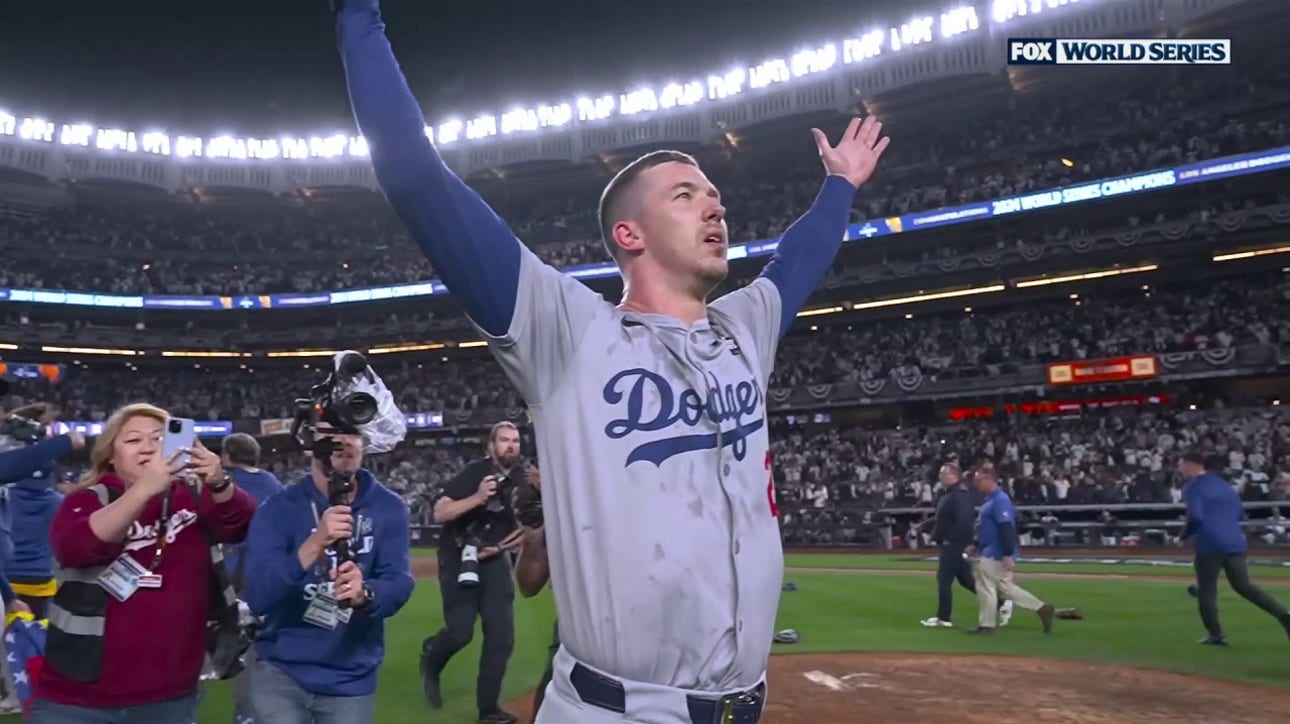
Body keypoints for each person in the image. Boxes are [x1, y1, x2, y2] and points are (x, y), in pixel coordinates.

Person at [334, 3, 888, 720]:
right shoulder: (566, 331)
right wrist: (357, 15)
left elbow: (799, 258)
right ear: (628, 232)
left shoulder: (745, 328)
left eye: (716, 197)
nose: (715, 209)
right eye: (686, 196)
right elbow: (414, 175)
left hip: (743, 705)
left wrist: (840, 184)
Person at [28, 402, 256, 723]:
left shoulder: (193, 496)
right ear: (110, 455)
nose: (149, 447)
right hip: (81, 695)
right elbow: (77, 548)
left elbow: (241, 525)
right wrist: (145, 489)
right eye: (133, 440)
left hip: (170, 693)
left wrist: (219, 481)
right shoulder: (89, 499)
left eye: (159, 438)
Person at [242, 422, 414, 724]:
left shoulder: (389, 507)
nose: (344, 441)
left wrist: (366, 593)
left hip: (350, 677)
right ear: (309, 443)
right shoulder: (278, 508)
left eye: (352, 432)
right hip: (281, 671)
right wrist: (313, 544)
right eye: (331, 432)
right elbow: (258, 596)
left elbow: (399, 581)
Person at [421, 422, 526, 724]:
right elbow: (440, 512)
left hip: (494, 561)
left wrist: (500, 549)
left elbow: (526, 528)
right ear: (491, 445)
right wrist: (479, 497)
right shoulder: (474, 473)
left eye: (515, 441)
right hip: (458, 557)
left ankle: (488, 709)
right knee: (460, 632)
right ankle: (431, 658)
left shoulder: (521, 479)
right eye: (504, 440)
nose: (510, 446)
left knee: (501, 637)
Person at [1178, 450, 1290, 645]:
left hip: (1210, 542)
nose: (1180, 469)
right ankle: (1283, 615)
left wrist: (1183, 536)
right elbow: (1239, 512)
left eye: (1181, 465)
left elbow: (1195, 517)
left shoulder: (1192, 487)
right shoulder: (1224, 485)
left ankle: (1216, 634)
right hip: (1234, 540)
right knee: (1245, 587)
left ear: (1189, 464)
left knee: (1207, 590)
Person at [220, 432, 286, 724]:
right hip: (272, 573)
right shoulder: (273, 483)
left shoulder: (227, 482)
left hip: (237, 574)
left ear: (228, 456)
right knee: (264, 649)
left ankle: (246, 716)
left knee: (240, 647)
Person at [921, 463, 1012, 628]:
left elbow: (964, 521)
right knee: (966, 581)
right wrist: (926, 526)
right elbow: (943, 518)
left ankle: (944, 618)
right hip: (953, 544)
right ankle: (1001, 603)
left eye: (944, 474)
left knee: (944, 581)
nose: (940, 477)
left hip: (953, 545)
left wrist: (951, 539)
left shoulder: (959, 495)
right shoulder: (951, 494)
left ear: (953, 475)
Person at [967, 469, 1054, 635]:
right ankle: (1041, 608)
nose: (976, 483)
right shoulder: (990, 500)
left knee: (986, 587)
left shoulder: (1000, 500)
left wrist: (1007, 553)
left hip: (995, 552)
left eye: (980, 480)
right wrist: (976, 545)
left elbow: (1006, 528)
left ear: (991, 480)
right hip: (990, 548)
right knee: (1005, 588)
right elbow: (987, 528)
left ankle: (987, 625)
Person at [512, 464, 556, 724]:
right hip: (572, 640)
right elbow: (529, 586)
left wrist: (554, 494)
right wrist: (531, 537)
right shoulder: (553, 516)